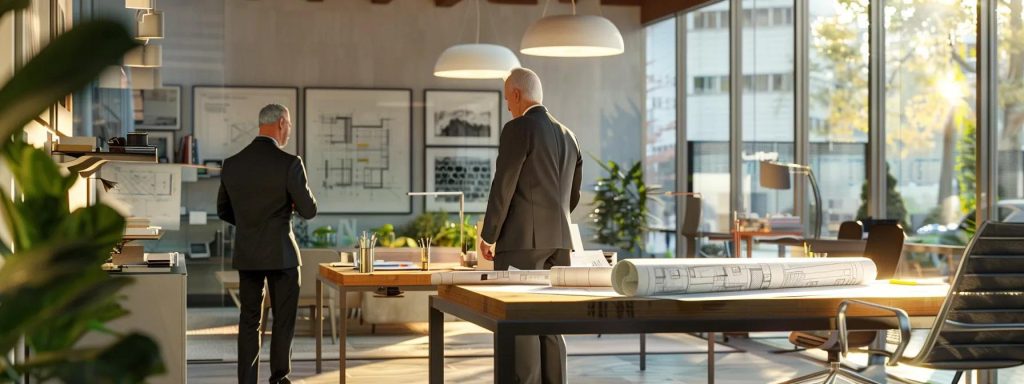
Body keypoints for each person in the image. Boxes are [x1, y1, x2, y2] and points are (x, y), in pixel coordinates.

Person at [478, 67, 583, 384]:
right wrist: (554, 223)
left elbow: (504, 185)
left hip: (522, 242)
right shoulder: (569, 135)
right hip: (561, 242)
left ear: (516, 94)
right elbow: (572, 196)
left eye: (507, 98)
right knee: (551, 322)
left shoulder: (518, 128)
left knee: (520, 321)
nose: (507, 105)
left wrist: (489, 236)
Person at [217, 104, 317, 384]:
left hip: (248, 253)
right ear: (282, 123)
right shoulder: (290, 163)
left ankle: (247, 381)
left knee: (249, 320)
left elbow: (223, 210)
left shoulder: (232, 164)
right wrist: (291, 205)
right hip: (283, 255)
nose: (289, 131)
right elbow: (309, 210)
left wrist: (251, 224)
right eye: (290, 125)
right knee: (283, 320)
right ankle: (279, 378)